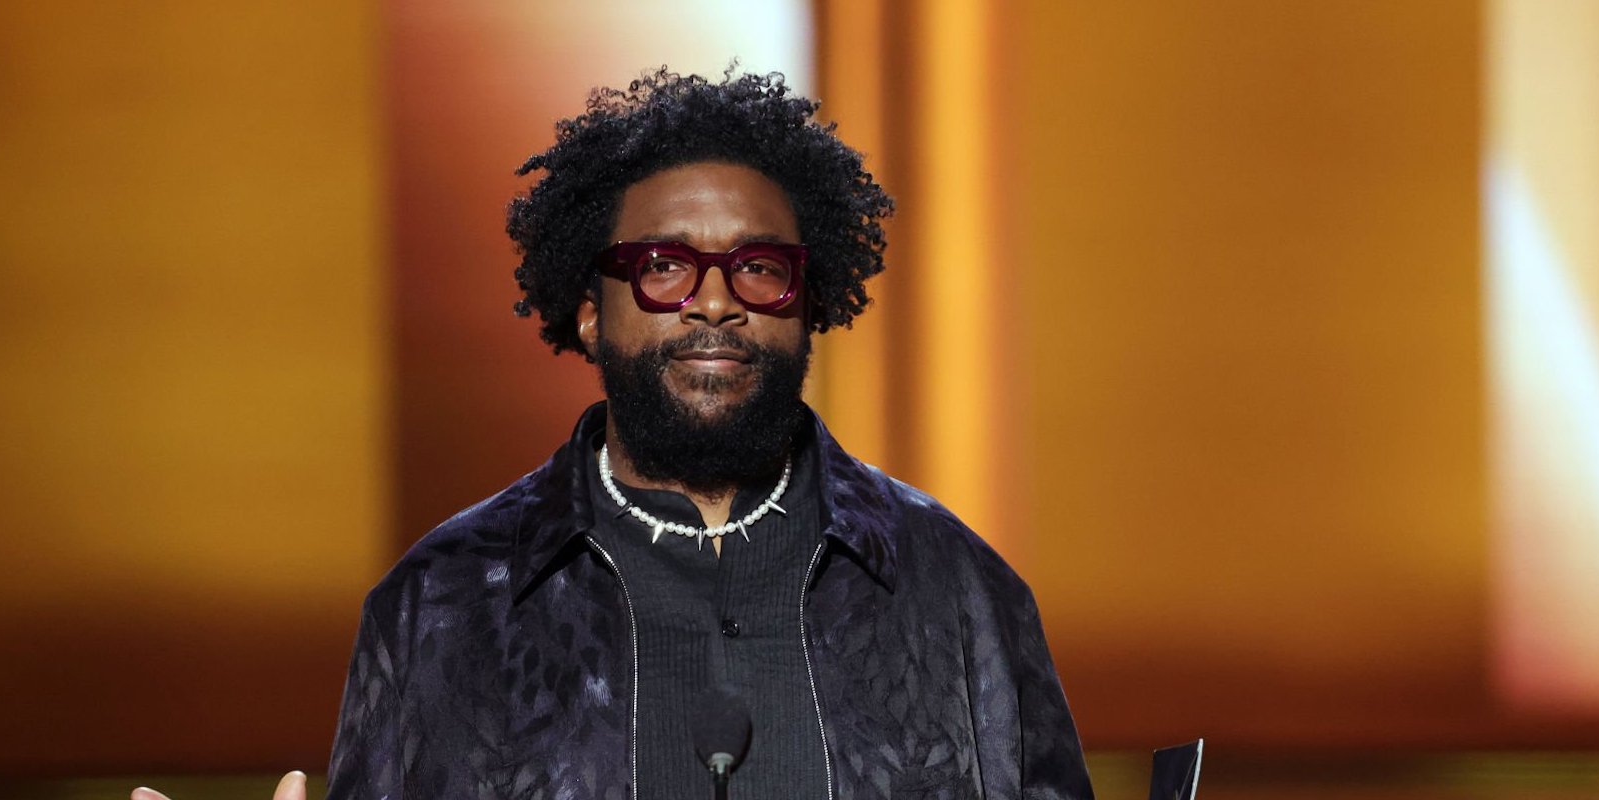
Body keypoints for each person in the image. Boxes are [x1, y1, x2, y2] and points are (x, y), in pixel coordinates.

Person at [135, 68, 1092, 800]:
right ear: (591, 313)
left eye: (760, 269)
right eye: (664, 268)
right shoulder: (442, 604)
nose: (714, 301)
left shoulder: (961, 590)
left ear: (812, 305)